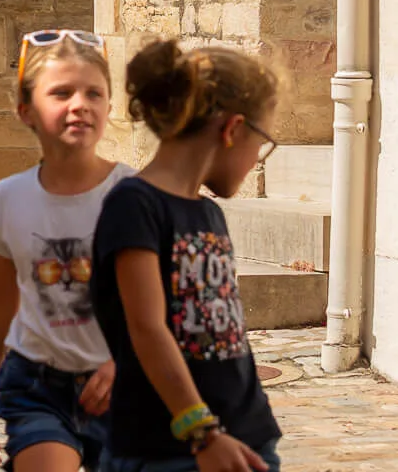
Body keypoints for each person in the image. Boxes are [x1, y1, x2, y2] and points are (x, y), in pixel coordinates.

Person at [91, 40, 282, 472]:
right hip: (169, 447)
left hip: (246, 435)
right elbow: (146, 327)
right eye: (262, 143)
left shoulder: (209, 211)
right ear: (232, 129)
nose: (257, 160)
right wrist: (202, 431)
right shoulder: (135, 204)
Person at [0, 30, 129, 472]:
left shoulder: (135, 197)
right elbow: (2, 299)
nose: (80, 103)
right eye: (61, 93)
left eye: (94, 93)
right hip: (38, 385)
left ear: (109, 107)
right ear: (26, 111)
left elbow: (166, 303)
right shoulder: (9, 198)